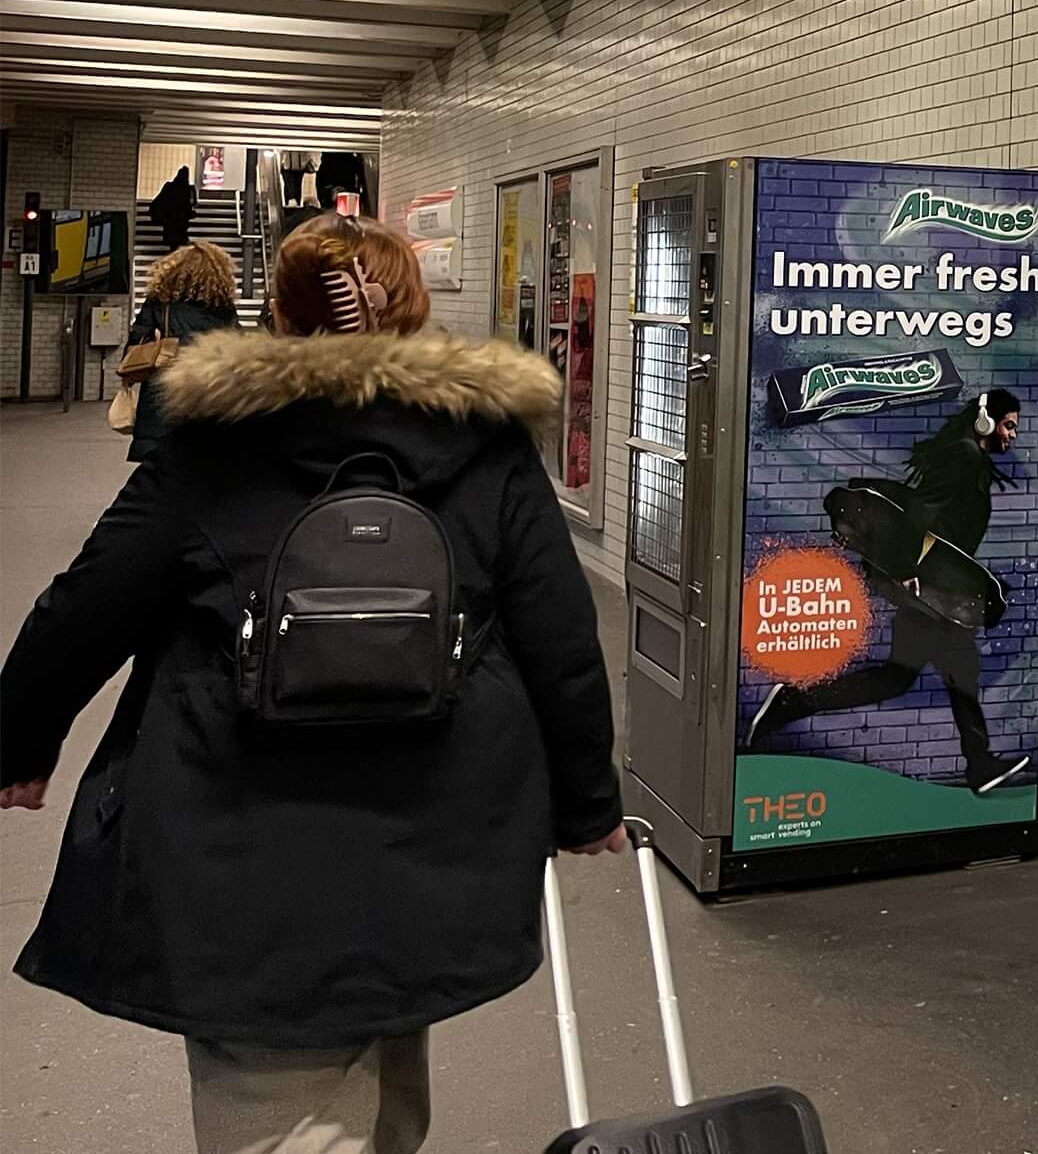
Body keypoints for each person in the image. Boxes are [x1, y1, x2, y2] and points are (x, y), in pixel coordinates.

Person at [0, 212, 623, 1154]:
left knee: (271, 1096)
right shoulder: (484, 442)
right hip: (438, 820)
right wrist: (586, 806)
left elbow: (87, 605)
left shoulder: (214, 441)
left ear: (281, 317)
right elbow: (559, 633)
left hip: (242, 831)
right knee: (389, 1054)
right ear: (410, 308)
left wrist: (21, 742)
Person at [744, 388, 1033, 795]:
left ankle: (794, 702)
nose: (1013, 435)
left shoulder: (970, 458)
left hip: (934, 586)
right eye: (1008, 425)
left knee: (898, 677)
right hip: (926, 585)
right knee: (958, 672)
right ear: (985, 420)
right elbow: (924, 517)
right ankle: (980, 765)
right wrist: (911, 571)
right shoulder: (966, 459)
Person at [118, 240, 242, 464]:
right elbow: (236, 344)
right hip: (207, 388)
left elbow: (135, 343)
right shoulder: (223, 306)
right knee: (202, 459)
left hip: (163, 389)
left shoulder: (159, 303)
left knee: (157, 467)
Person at [146, 165, 196, 251]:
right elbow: (193, 203)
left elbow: (161, 199)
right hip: (181, 219)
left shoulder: (169, 186)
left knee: (172, 239)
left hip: (171, 219)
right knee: (180, 238)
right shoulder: (188, 189)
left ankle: (172, 252)